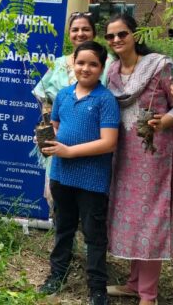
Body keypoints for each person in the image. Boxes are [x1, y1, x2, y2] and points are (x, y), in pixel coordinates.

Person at [103, 14, 173, 305]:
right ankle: (133, 284)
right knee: (127, 218)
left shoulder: (161, 65)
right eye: (111, 36)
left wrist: (166, 120)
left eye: (123, 34)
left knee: (149, 219)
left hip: (152, 155)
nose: (117, 40)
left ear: (135, 35)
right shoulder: (112, 72)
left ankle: (148, 295)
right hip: (121, 154)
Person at [36, 41, 119, 305]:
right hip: (61, 175)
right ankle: (56, 275)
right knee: (64, 228)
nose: (86, 68)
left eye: (93, 64)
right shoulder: (63, 95)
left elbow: (109, 142)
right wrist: (50, 139)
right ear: (73, 64)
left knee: (94, 234)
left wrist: (69, 151)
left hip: (92, 180)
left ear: (101, 67)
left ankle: (97, 288)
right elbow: (56, 125)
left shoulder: (105, 100)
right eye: (81, 62)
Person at [33, 12, 112, 212]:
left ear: (94, 33)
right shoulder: (59, 63)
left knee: (91, 203)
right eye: (75, 29)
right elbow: (43, 96)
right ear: (69, 34)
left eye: (86, 29)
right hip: (61, 139)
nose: (80, 34)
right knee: (62, 200)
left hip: (96, 138)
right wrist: (49, 126)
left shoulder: (109, 63)